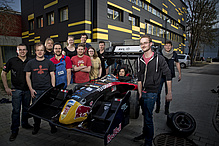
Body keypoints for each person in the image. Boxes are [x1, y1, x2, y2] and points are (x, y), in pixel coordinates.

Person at [134, 35, 172, 146]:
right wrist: (140, 93)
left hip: (152, 93)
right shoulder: (139, 59)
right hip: (143, 93)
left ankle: (149, 141)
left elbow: (168, 74)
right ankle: (144, 134)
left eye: (145, 43)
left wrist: (169, 93)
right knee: (145, 116)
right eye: (141, 43)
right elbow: (139, 78)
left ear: (151, 44)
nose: (143, 45)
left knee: (148, 117)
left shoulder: (159, 58)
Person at [1, 44, 32, 141]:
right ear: (17, 51)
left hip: (27, 90)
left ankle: (25, 124)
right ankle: (14, 130)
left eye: (24, 50)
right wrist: (6, 88)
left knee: (26, 109)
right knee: (16, 111)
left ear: (27, 51)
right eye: (20, 50)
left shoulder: (30, 61)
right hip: (16, 90)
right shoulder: (12, 61)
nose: (22, 51)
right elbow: (3, 73)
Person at [24, 42, 57, 135]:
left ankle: (52, 125)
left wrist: (53, 88)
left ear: (44, 51)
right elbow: (27, 76)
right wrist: (31, 89)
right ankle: (37, 126)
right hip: (36, 90)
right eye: (38, 50)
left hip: (47, 89)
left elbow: (52, 75)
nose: (40, 52)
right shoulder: (30, 63)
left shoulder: (49, 62)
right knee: (36, 110)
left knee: (50, 109)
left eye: (41, 50)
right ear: (35, 51)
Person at [155, 40, 181, 115]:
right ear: (164, 46)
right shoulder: (160, 54)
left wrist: (180, 73)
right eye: (166, 45)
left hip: (169, 76)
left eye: (169, 45)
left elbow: (177, 63)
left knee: (168, 93)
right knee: (158, 92)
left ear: (171, 46)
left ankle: (167, 109)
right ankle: (158, 107)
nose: (168, 47)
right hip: (161, 76)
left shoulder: (174, 54)